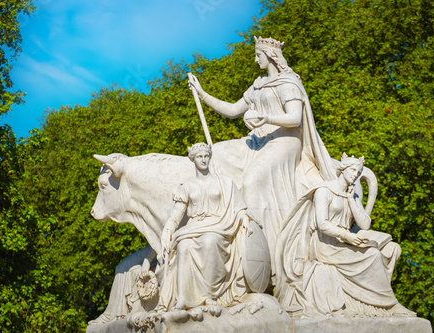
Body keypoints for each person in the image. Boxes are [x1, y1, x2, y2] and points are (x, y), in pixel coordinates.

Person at [189, 37, 337, 278]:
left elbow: (295, 118)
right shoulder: (258, 85)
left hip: (284, 141)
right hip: (259, 140)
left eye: (258, 54)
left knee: (252, 182)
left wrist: (266, 119)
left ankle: (268, 253)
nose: (255, 58)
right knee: (219, 154)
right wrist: (202, 93)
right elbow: (233, 111)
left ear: (270, 55)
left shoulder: (288, 83)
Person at [275, 154, 415, 317]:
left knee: (389, 249)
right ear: (343, 170)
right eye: (353, 170)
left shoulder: (352, 194)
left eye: (358, 172)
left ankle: (384, 304)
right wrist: (347, 236)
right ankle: (389, 305)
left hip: (344, 241)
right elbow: (322, 224)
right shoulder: (324, 191)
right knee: (373, 255)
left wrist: (351, 200)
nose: (355, 174)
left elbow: (365, 224)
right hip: (325, 245)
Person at [156, 143, 253, 316]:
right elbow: (176, 215)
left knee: (210, 241)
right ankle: (183, 300)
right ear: (193, 159)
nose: (204, 160)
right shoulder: (186, 186)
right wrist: (167, 230)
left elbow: (238, 206)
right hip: (194, 227)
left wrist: (244, 217)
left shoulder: (223, 182)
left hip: (218, 225)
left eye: (206, 156)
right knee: (184, 246)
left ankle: (209, 296)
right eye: (200, 157)